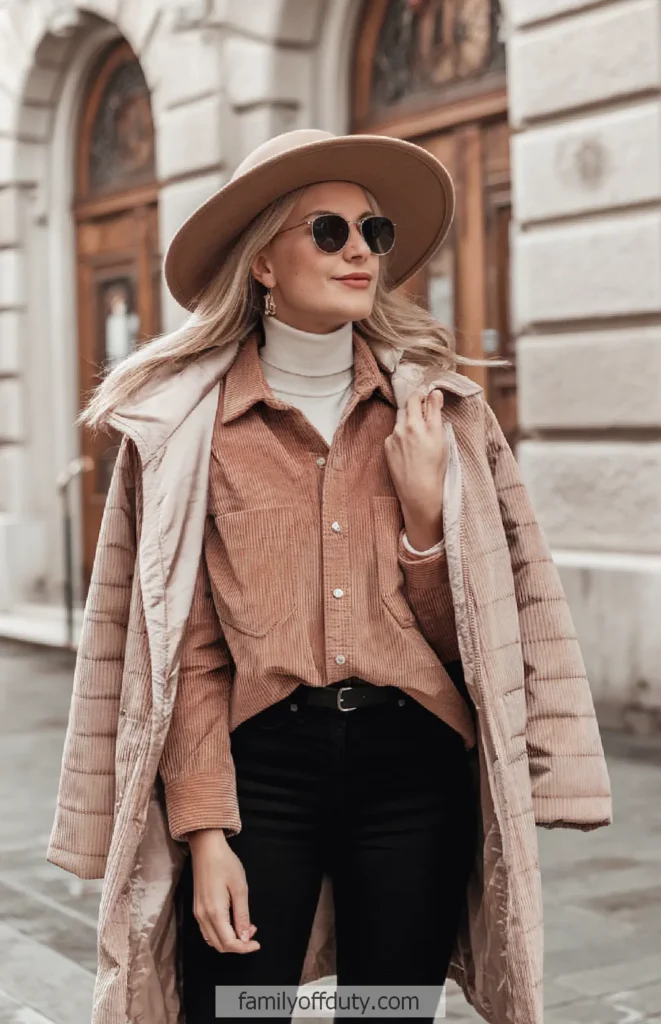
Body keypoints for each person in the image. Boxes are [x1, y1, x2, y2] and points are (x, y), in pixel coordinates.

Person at [48, 129, 612, 1024]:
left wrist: (426, 519)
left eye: (373, 232)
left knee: (386, 1013)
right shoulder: (188, 432)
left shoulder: (441, 416)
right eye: (328, 230)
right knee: (241, 1009)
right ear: (263, 259)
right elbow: (186, 651)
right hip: (258, 775)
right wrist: (203, 833)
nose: (359, 251)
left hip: (413, 769)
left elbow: (469, 637)